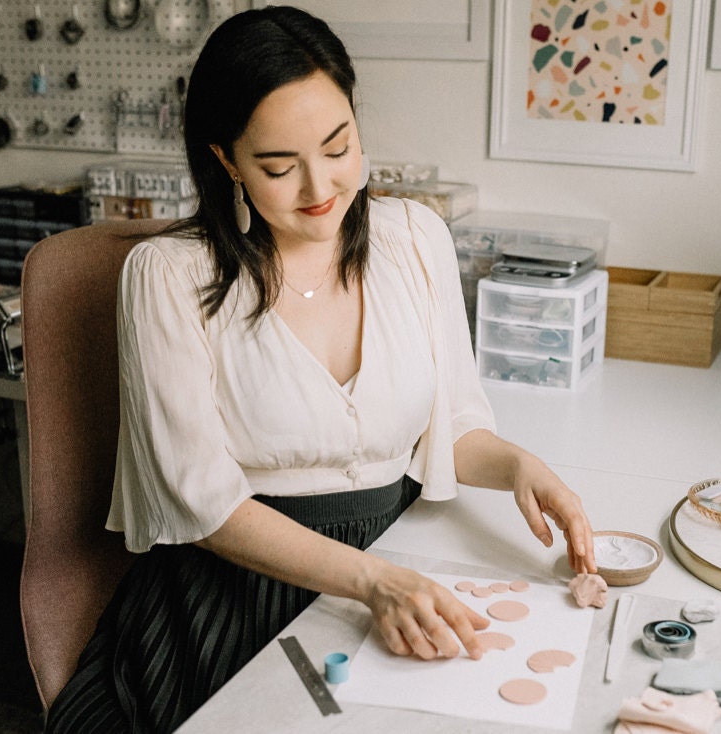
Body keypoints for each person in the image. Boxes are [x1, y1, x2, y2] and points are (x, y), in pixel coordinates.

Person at [46, 6, 596, 732]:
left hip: (398, 553)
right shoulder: (167, 276)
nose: (320, 187)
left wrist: (521, 466)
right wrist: (371, 582)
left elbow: (456, 427)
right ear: (226, 161)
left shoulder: (414, 238)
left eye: (339, 147)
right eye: (279, 166)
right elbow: (202, 503)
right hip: (237, 591)